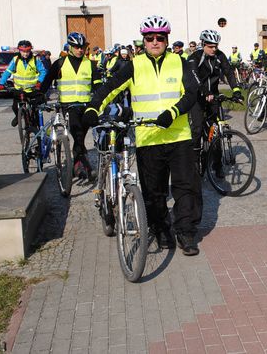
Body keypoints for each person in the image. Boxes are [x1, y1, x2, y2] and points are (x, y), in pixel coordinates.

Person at [82, 15, 202, 256]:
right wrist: (93, 107)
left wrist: (173, 112)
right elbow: (108, 88)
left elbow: (192, 93)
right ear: (143, 41)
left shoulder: (180, 62)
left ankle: (186, 233)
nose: (155, 42)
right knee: (153, 192)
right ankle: (161, 230)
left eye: (160, 37)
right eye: (150, 38)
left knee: (185, 188)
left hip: (178, 136)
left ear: (167, 40)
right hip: (148, 139)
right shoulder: (135, 65)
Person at [41, 32, 102, 180]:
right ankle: (85, 165)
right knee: (78, 134)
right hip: (68, 106)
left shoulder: (90, 64)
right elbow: (47, 81)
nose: (80, 50)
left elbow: (97, 84)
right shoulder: (60, 63)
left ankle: (77, 164)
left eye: (82, 47)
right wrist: (40, 95)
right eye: (76, 47)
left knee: (80, 137)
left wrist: (101, 98)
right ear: (70, 47)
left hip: (86, 105)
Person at [187, 29, 244, 173]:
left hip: (214, 96)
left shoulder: (219, 56)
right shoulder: (195, 57)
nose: (214, 49)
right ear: (203, 44)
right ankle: (194, 163)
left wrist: (236, 90)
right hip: (198, 98)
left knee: (217, 131)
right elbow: (193, 76)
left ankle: (217, 165)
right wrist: (204, 92)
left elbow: (229, 72)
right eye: (210, 46)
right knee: (197, 130)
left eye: (216, 46)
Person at [0, 40, 47, 127]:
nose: (25, 54)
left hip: (33, 89)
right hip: (19, 89)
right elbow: (7, 72)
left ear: (30, 50)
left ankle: (36, 123)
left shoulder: (35, 60)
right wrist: (1, 83)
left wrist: (39, 82)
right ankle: (18, 116)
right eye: (23, 51)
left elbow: (43, 72)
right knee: (14, 106)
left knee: (36, 106)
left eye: (27, 51)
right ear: (19, 51)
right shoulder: (15, 60)